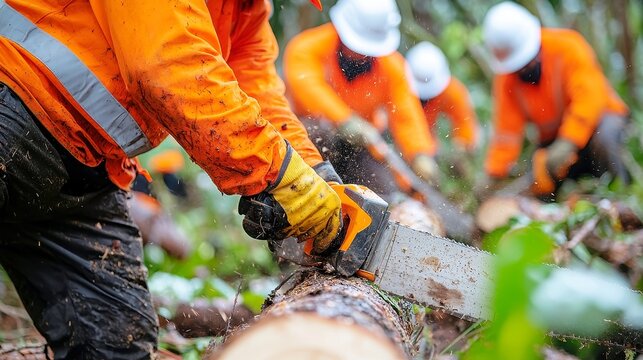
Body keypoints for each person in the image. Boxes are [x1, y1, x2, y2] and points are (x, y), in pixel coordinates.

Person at [0, 0, 341, 357]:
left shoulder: (246, 11)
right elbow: (167, 65)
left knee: (115, 344)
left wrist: (314, 177)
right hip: (12, 101)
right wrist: (278, 173)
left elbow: (255, 88)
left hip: (84, 170)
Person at [283, 0, 439, 197]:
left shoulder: (392, 66)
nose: (363, 53)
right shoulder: (307, 47)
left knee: (383, 192)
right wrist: (344, 119)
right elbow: (307, 86)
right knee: (319, 136)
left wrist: (420, 153)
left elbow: (405, 113)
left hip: (363, 143)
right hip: (308, 135)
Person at [480, 2, 630, 198]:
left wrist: (568, 141)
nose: (522, 70)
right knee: (539, 177)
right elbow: (506, 132)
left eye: (526, 63)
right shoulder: (506, 79)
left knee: (605, 136)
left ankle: (623, 198)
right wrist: (494, 173)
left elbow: (589, 98)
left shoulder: (568, 47)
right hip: (555, 138)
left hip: (599, 120)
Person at [406, 42, 480, 155]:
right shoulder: (401, 87)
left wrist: (462, 146)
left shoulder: (452, 92)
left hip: (431, 141)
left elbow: (465, 122)